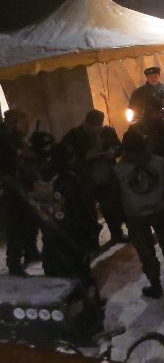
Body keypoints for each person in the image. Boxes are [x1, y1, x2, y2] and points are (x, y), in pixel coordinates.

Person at [114, 129, 164, 298]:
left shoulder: (118, 169)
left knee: (145, 251)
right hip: (159, 209)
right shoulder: (159, 162)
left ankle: (155, 285)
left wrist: (121, 215)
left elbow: (115, 195)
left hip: (135, 214)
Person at [28, 140, 99, 284]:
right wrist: (91, 230)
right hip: (71, 233)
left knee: (56, 274)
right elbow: (80, 208)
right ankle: (85, 295)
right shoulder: (68, 179)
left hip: (50, 232)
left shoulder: (41, 177)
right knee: (79, 272)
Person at [62, 110, 126, 243]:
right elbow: (64, 156)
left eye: (98, 127)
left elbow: (119, 147)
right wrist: (84, 157)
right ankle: (92, 240)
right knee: (89, 212)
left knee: (111, 208)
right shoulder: (74, 135)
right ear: (86, 123)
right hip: (86, 179)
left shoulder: (108, 132)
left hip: (106, 176)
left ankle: (117, 234)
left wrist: (113, 152)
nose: (95, 130)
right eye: (91, 127)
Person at [1, 108, 41, 274]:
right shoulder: (6, 141)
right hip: (11, 190)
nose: (27, 125)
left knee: (30, 222)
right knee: (15, 227)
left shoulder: (15, 140)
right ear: (13, 123)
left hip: (23, 187)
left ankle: (31, 252)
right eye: (23, 122)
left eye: (27, 121)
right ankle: (14, 263)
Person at [128, 66, 164, 133]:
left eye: (155, 76)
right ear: (147, 78)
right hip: (147, 132)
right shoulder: (138, 93)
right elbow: (133, 113)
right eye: (151, 77)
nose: (153, 79)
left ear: (159, 76)